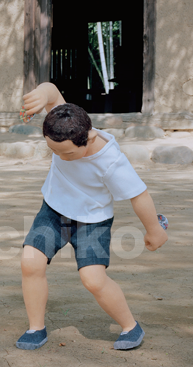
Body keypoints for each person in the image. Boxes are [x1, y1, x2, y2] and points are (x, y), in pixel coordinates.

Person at [15, 82, 168, 351]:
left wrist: (154, 229)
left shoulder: (111, 160)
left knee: (93, 279)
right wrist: (41, 94)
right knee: (30, 263)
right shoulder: (65, 120)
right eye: (54, 151)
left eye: (68, 152)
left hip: (93, 220)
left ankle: (130, 326)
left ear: (89, 138)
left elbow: (139, 195)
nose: (61, 156)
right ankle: (35, 328)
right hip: (53, 210)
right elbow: (52, 90)